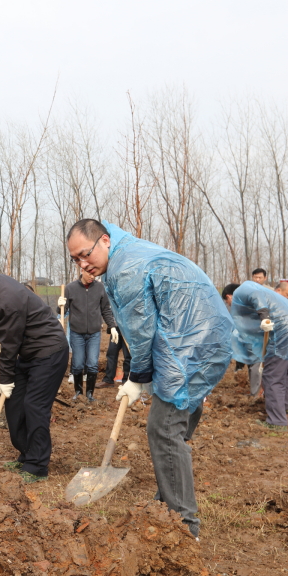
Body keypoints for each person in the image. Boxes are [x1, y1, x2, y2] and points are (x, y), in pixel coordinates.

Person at [66, 219, 233, 539]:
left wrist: (138, 375)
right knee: (178, 423)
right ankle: (169, 494)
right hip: (205, 336)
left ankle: (184, 526)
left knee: (164, 428)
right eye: (75, 259)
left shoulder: (124, 268)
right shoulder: (131, 252)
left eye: (85, 255)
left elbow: (143, 331)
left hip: (190, 343)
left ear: (104, 240)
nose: (82, 264)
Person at [0, 261, 69, 484]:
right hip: (28, 353)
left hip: (48, 352)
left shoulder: (9, 298)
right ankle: (26, 454)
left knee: (34, 406)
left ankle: (37, 467)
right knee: (15, 403)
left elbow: (9, 345)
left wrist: (6, 379)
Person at [229, 280, 288, 432]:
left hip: (286, 330)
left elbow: (255, 295)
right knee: (282, 371)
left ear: (229, 295)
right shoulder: (267, 294)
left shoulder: (244, 289)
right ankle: (287, 407)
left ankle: (277, 421)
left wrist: (264, 316)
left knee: (272, 376)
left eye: (227, 301)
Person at [57, 271, 116, 401]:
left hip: (94, 333)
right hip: (77, 333)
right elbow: (63, 310)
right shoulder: (70, 288)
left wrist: (112, 326)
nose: (92, 277)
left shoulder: (100, 288)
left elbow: (105, 309)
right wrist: (59, 305)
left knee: (93, 364)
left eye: (94, 275)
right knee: (78, 364)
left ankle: (89, 394)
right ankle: (78, 393)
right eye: (89, 274)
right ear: (82, 271)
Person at [222, 283, 262, 397]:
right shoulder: (245, 301)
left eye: (226, 301)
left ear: (229, 296)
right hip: (250, 338)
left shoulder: (246, 303)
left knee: (256, 365)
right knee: (252, 364)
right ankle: (255, 392)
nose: (227, 304)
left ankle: (257, 394)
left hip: (256, 339)